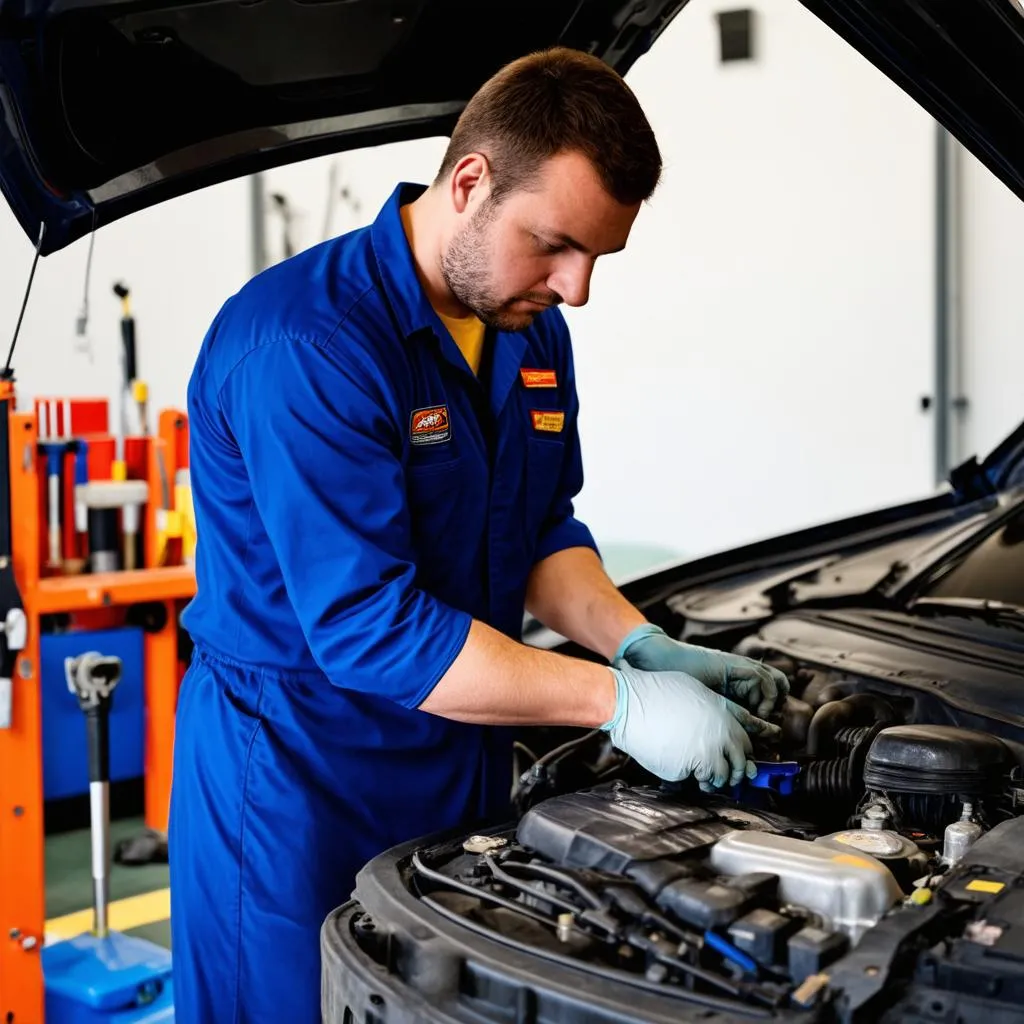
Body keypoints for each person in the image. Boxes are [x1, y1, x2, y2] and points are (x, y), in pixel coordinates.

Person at [168, 46, 790, 1023]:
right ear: (469, 183)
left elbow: (539, 525)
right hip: (296, 780)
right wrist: (615, 699)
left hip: (458, 756)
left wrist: (635, 640)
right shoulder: (306, 344)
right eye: (555, 244)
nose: (576, 287)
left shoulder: (527, 328)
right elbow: (369, 627)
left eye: (595, 256)